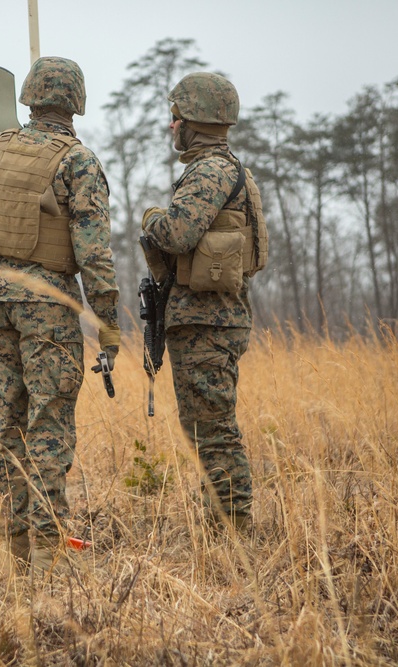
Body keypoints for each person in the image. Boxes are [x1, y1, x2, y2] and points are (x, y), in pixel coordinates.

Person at [0, 57, 120, 570]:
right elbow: (94, 254)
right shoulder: (79, 162)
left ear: (31, 98)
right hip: (46, 304)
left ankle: (14, 550)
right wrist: (108, 326)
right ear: (75, 103)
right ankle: (48, 553)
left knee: (5, 420)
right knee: (49, 423)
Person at [140, 72, 268, 534]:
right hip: (214, 320)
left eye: (176, 118)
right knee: (206, 429)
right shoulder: (230, 169)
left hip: (207, 323)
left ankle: (233, 533)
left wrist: (152, 217)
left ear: (194, 122)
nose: (171, 127)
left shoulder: (210, 171)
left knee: (213, 432)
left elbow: (177, 233)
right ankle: (223, 527)